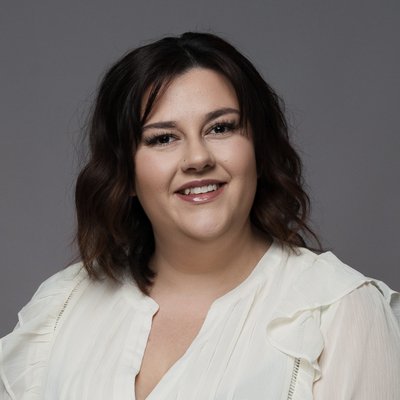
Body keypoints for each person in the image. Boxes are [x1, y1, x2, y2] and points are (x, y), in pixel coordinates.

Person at [1, 32, 399, 400]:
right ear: (125, 171)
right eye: (163, 138)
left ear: (259, 149)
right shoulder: (60, 307)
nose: (197, 158)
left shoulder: (339, 313)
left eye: (220, 128)